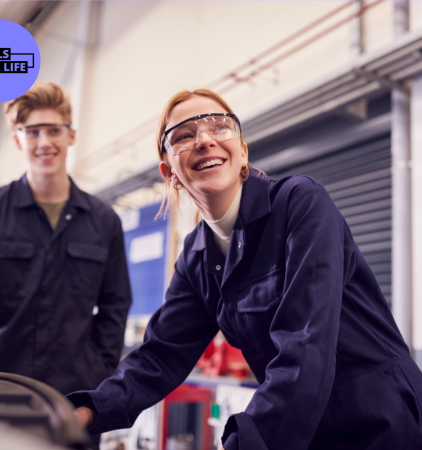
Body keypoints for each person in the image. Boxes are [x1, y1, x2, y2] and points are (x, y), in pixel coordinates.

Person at [67, 89, 422, 450]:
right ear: (169, 172)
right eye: (184, 135)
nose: (204, 140)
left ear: (243, 152)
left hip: (379, 420)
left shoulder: (300, 203)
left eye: (219, 127)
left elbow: (306, 343)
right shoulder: (196, 257)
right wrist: (85, 412)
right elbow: (160, 356)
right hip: (304, 432)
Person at [0, 81, 132, 400]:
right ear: (17, 139)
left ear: (71, 135)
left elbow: (115, 305)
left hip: (73, 394)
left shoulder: (104, 221)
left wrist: (99, 370)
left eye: (54, 130)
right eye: (32, 132)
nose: (44, 142)